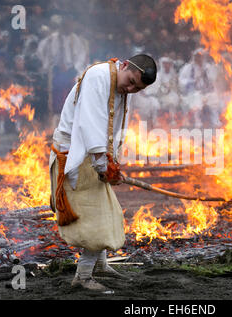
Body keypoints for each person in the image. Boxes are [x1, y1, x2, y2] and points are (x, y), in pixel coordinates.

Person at [49, 54, 157, 293]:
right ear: (125, 65)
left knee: (107, 213)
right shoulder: (99, 76)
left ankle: (100, 266)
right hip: (76, 156)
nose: (130, 89)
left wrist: (111, 162)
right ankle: (83, 276)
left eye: (137, 89)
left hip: (94, 158)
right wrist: (105, 167)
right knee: (98, 220)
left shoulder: (118, 84)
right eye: (130, 81)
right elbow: (90, 124)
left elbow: (111, 127)